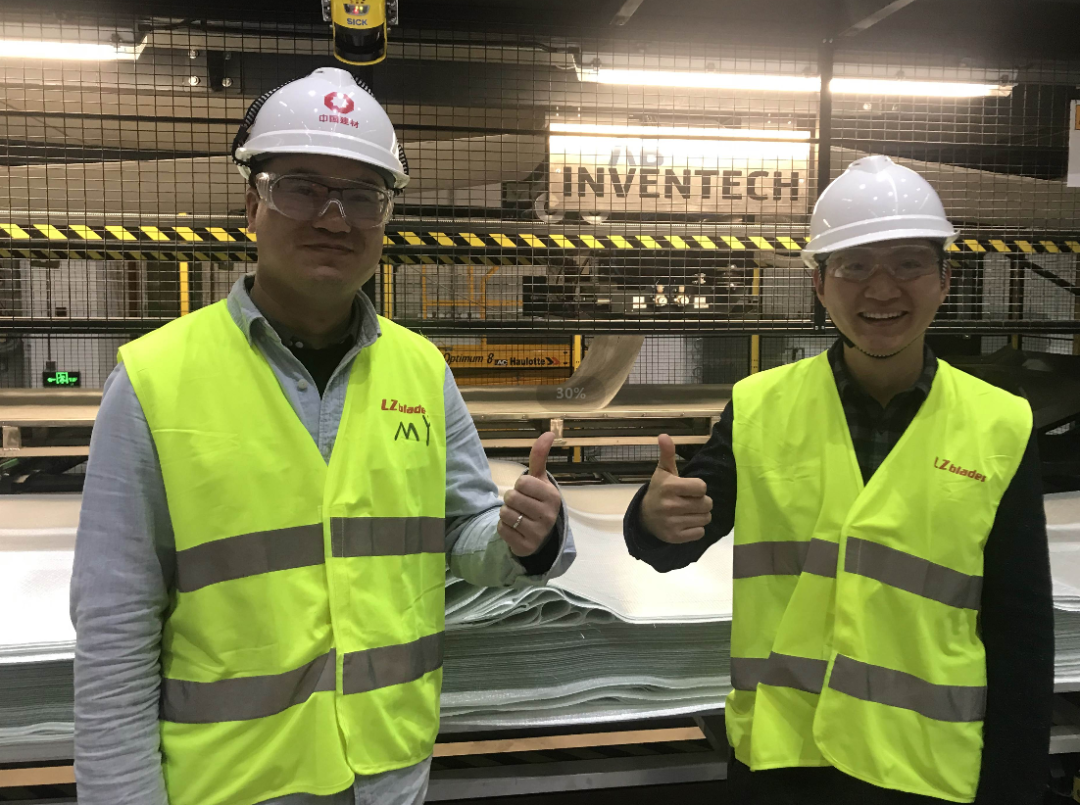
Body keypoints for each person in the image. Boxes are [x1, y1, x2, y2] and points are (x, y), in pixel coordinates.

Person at [71, 67, 575, 805]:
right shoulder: (153, 380)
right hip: (231, 784)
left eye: (363, 196)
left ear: (385, 218)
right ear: (253, 204)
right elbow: (114, 626)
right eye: (302, 189)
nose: (335, 219)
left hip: (388, 772)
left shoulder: (421, 370)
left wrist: (526, 537)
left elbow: (464, 535)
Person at [624, 155, 1053, 804]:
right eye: (854, 266)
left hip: (926, 770)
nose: (881, 290)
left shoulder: (1000, 424)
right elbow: (678, 538)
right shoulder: (760, 407)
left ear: (945, 280)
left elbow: (1021, 627)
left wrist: (1014, 787)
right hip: (786, 760)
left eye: (907, 263)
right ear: (820, 284)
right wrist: (652, 520)